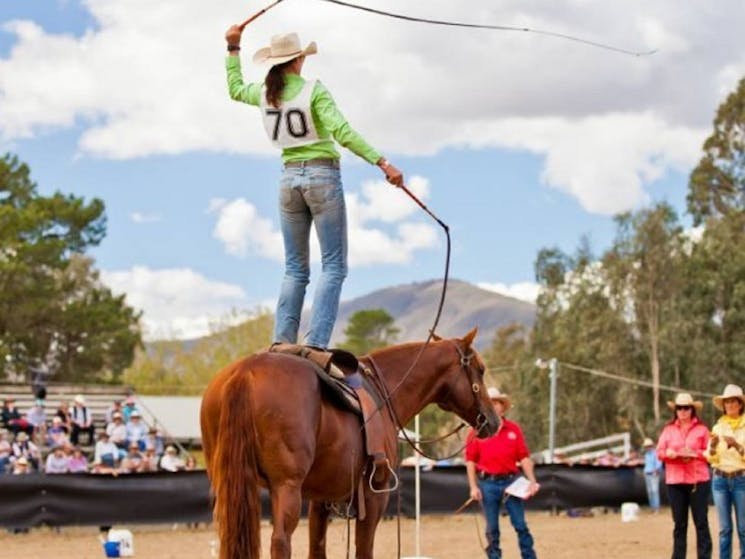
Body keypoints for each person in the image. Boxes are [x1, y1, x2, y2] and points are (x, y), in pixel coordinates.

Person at [223, 28, 403, 350]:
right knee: (334, 266)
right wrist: (382, 162)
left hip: (288, 181)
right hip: (322, 178)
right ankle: (316, 344)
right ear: (299, 60)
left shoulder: (265, 94)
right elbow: (343, 133)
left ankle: (282, 341)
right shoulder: (313, 91)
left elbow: (235, 89)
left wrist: (233, 47)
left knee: (295, 268)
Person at [465, 387, 539, 559]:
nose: (494, 406)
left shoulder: (514, 429)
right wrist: (473, 487)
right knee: (492, 528)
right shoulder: (475, 432)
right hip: (487, 483)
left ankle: (529, 557)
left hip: (512, 482)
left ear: (502, 406)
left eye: (497, 402)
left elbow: (525, 457)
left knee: (520, 525)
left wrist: (532, 480)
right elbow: (470, 461)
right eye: (490, 402)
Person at [657, 392, 712, 559]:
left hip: (698, 481)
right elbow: (659, 452)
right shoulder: (668, 430)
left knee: (701, 522)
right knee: (679, 524)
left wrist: (695, 453)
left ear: (692, 410)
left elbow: (711, 454)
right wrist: (669, 453)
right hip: (675, 481)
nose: (683, 411)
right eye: (679, 408)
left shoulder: (703, 430)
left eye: (686, 408)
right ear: (675, 410)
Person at [706, 384, 745, 559]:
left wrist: (737, 446)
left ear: (740, 404)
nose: (729, 405)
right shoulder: (717, 428)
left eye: (733, 402)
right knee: (724, 529)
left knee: (744, 528)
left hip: (741, 480)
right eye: (726, 402)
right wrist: (713, 447)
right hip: (720, 480)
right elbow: (711, 457)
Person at [642, 437, 663, 513]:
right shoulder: (646, 455)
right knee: (650, 492)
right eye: (646, 446)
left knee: (655, 491)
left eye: (648, 446)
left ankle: (656, 508)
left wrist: (656, 470)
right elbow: (646, 464)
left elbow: (659, 464)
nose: (647, 448)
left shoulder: (655, 453)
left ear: (651, 446)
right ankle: (652, 507)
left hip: (654, 474)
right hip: (647, 474)